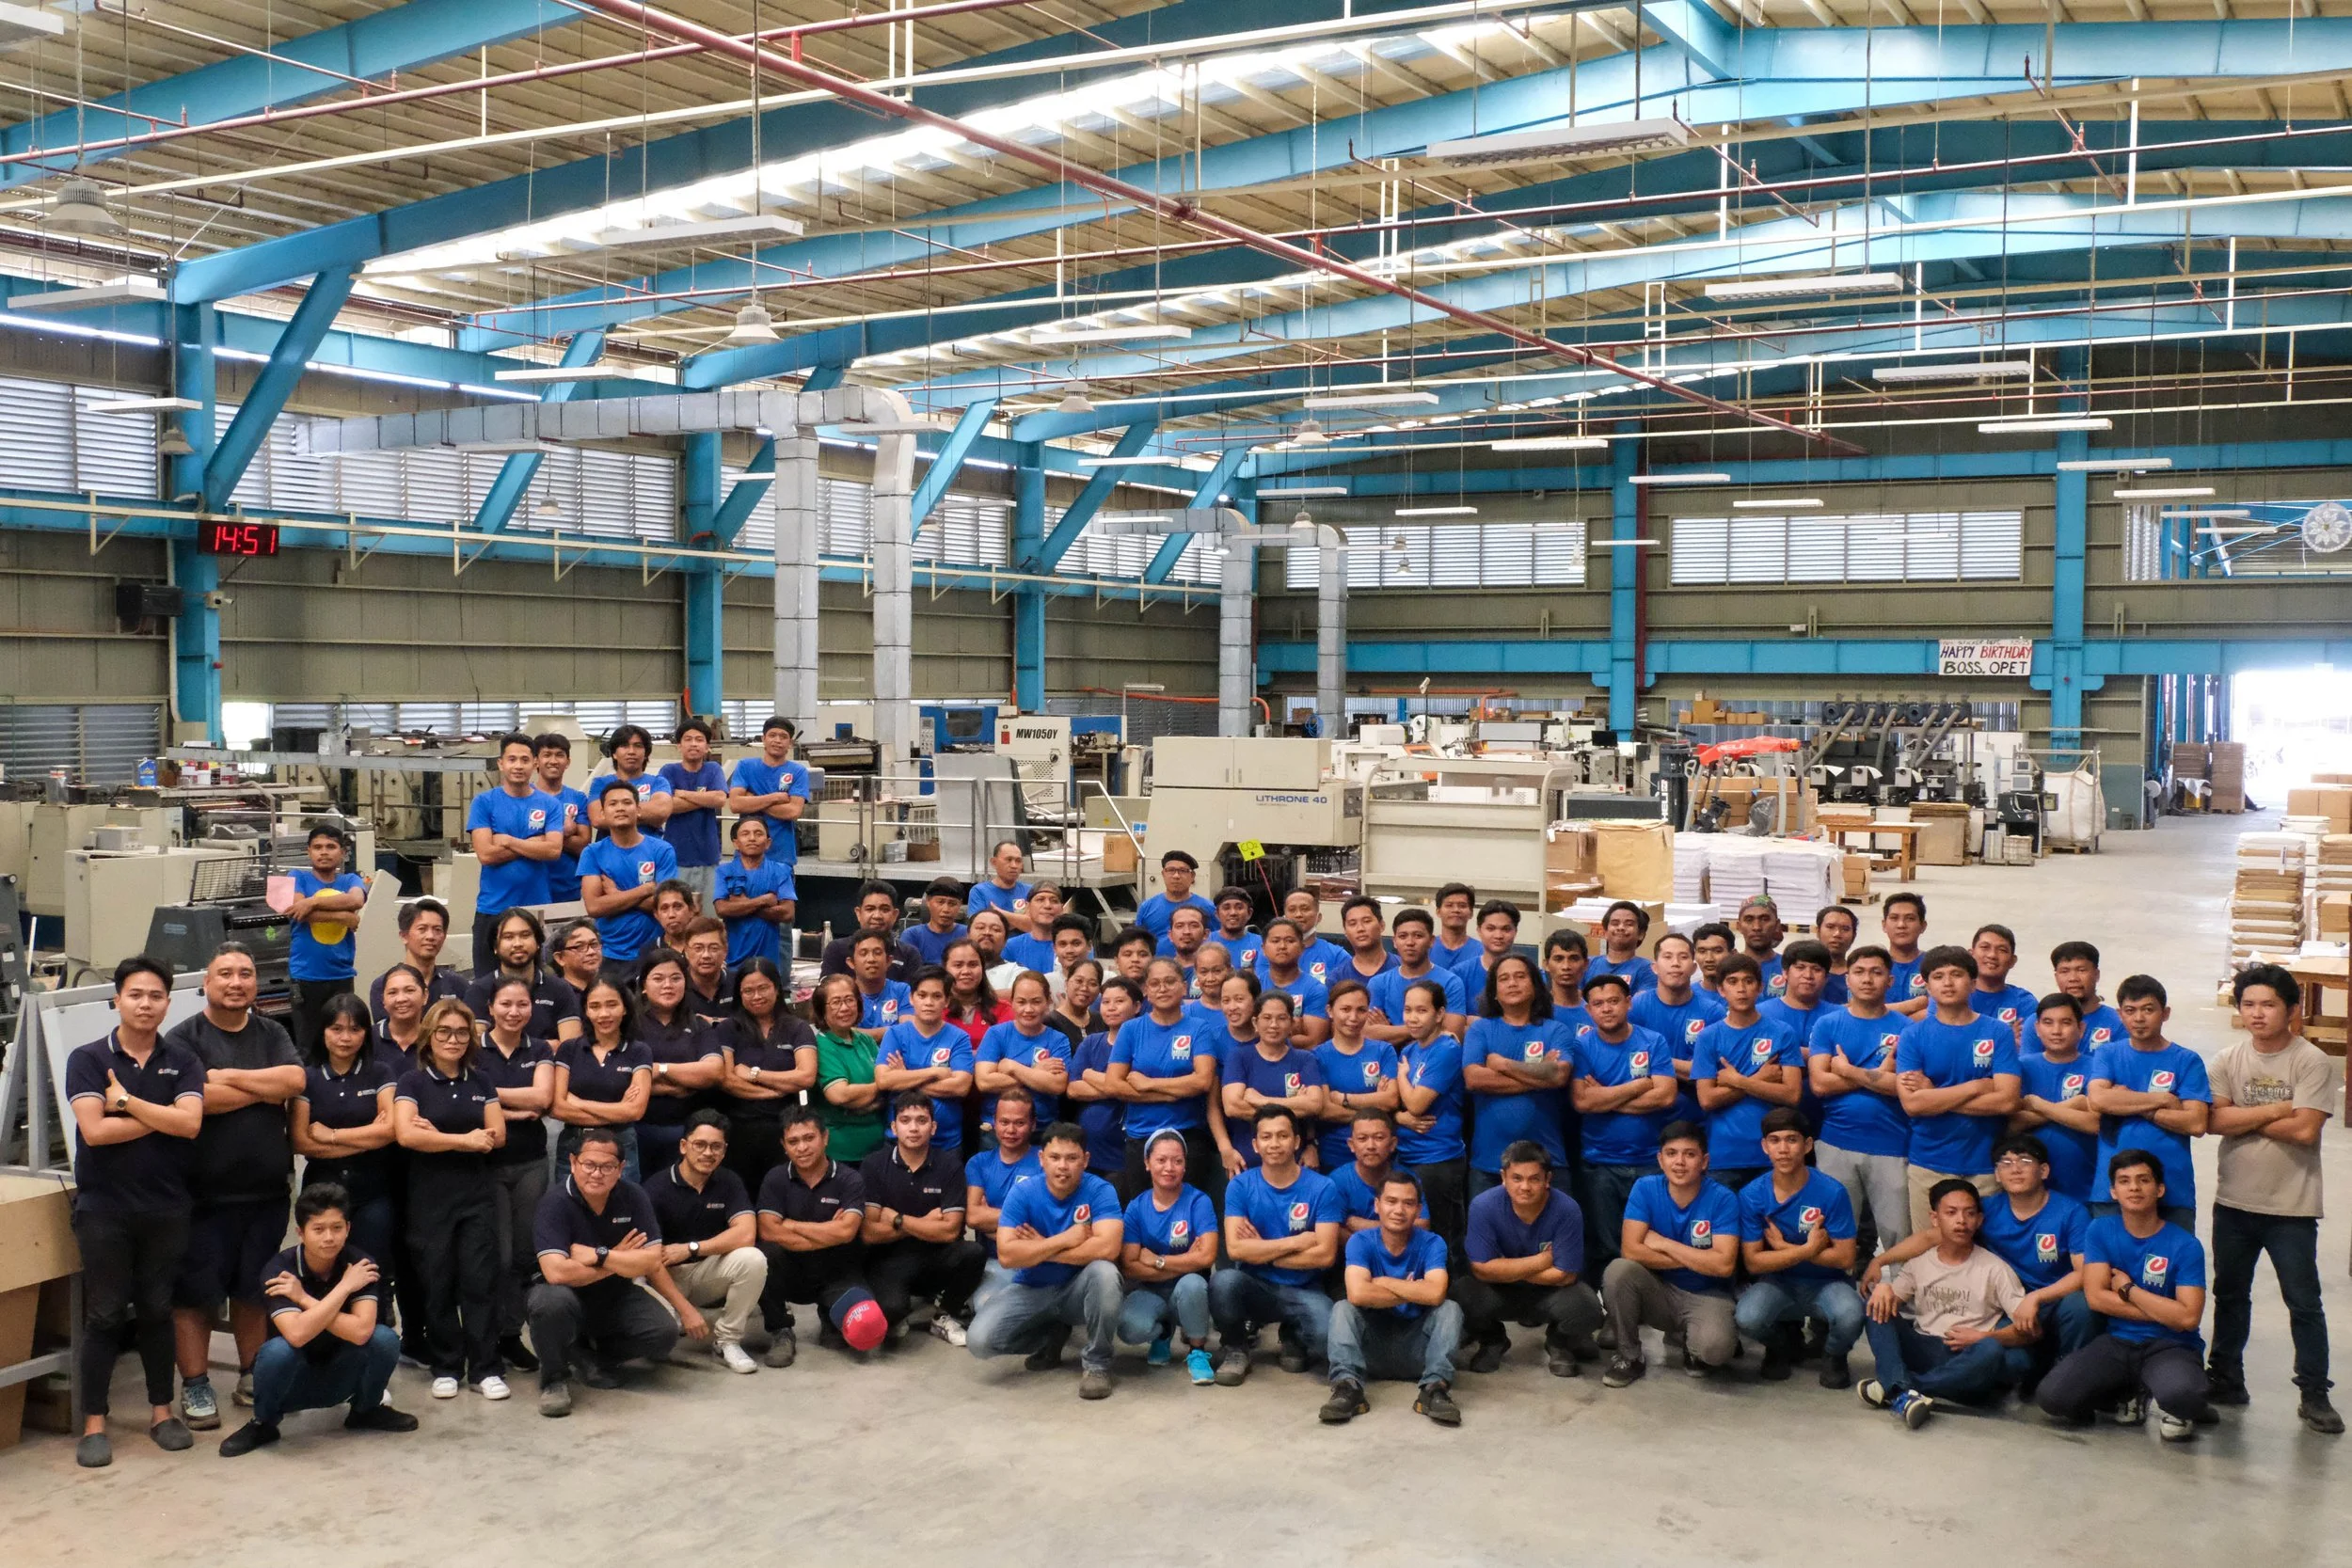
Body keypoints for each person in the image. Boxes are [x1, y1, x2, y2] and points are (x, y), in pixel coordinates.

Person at [67, 958, 206, 1467]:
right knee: (104, 1316)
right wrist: (161, 1114)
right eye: (135, 994)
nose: (145, 1004)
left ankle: (161, 1413)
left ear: (168, 1003)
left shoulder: (183, 1059)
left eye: (155, 996)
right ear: (117, 999)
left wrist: (126, 1102)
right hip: (104, 1209)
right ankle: (95, 1425)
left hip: (166, 1206)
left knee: (155, 1310)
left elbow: (191, 1126)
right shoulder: (86, 1058)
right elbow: (95, 1133)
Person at [166, 943, 305, 1431]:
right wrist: (257, 1089)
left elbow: (292, 1079)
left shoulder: (271, 1031)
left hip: (266, 1193)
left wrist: (233, 1078)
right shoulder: (183, 1038)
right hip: (202, 1196)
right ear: (206, 983)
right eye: (225, 973)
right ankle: (197, 1384)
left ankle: (251, 1374)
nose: (237, 982)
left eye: (245, 973)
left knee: (255, 1290)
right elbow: (196, 1098)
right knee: (196, 1295)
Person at [2204, 963, 2339, 1431]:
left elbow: (2305, 1131)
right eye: (2249, 1005)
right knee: (2230, 1295)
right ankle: (2225, 1377)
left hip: (2291, 1208)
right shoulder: (2227, 1060)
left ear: (2291, 1011)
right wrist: (2280, 1107)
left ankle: (2315, 1391)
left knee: (2303, 1302)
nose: (2257, 1014)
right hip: (2234, 1203)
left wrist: (2247, 1114)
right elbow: (2213, 1122)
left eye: (2268, 1005)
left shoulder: (2311, 1061)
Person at [216, 1182, 418, 1456]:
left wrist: (306, 1299)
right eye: (318, 1229)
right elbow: (297, 1334)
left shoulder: (360, 1266)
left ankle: (366, 1410)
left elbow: (361, 1332)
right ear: (300, 1233)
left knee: (384, 1338)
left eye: (336, 1228)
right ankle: (264, 1422)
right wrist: (344, 1289)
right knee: (277, 1351)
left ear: (348, 1228)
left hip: (341, 1373)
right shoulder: (279, 1270)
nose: (329, 1238)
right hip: (291, 1381)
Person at [2036, 1150, 2216, 1439]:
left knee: (2184, 1396)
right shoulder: (2101, 1230)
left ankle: (2171, 1400)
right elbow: (2096, 1298)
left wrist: (2128, 1290)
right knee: (2053, 1398)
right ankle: (2129, 1391)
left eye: (2143, 1180)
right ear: (2113, 1191)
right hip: (2118, 1342)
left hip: (2172, 1345)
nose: (2134, 1187)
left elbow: (2189, 1319)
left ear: (2159, 1190)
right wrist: (2166, 1313)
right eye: (2124, 1181)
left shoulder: (2185, 1245)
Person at [391, 999, 510, 1402]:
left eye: (462, 1032)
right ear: (429, 1036)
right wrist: (463, 1139)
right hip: (428, 1198)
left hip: (476, 1197)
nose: (453, 1040)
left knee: (479, 1280)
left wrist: (435, 1136)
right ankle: (446, 1365)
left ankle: (485, 1368)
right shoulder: (412, 1083)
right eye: (444, 1032)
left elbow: (497, 1137)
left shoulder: (481, 1082)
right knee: (436, 1281)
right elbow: (406, 1136)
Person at [528, 1128, 683, 1417]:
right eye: (589, 1165)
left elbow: (650, 1261)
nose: (597, 1174)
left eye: (607, 1166)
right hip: (564, 1293)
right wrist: (621, 1258)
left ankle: (589, 1356)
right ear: (573, 1163)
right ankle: (554, 1379)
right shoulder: (555, 1203)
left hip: (615, 1293)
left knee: (663, 1333)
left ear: (621, 1169)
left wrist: (600, 1255)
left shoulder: (634, 1196)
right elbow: (556, 1273)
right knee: (550, 1303)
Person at [965, 1121, 1125, 1398]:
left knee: (1105, 1273)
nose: (1062, 1166)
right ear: (1042, 1159)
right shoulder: (1023, 1193)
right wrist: (1062, 1241)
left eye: (1072, 1158)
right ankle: (1051, 1335)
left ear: (1085, 1160)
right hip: (1032, 1287)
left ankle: (1097, 1364)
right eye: (1055, 1157)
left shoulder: (1100, 1190)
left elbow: (1109, 1248)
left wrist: (1039, 1248)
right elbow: (1007, 1254)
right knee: (979, 1342)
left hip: (1079, 1289)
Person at [1857, 1180, 2029, 1430]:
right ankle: (1904, 1390)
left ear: (1979, 1220)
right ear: (1935, 1219)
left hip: (1967, 1360)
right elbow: (1891, 1302)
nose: (1961, 1220)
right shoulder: (1920, 1262)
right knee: (1874, 1308)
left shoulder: (1995, 1269)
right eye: (1951, 1213)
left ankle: (1898, 1388)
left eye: (1969, 1213)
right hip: (1925, 1347)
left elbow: (2027, 1329)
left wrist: (1983, 1336)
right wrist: (1883, 1289)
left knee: (1991, 1349)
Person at [1600, 1121, 1742, 1386]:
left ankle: (1692, 1345)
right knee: (1619, 1270)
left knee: (1715, 1351)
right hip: (1659, 1291)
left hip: (1707, 1294)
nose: (1680, 1162)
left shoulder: (1723, 1198)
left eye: (1690, 1154)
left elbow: (1723, 1265)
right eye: (1671, 1153)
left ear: (1704, 1161)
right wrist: (1701, 1260)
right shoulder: (1645, 1188)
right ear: (1660, 1159)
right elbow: (1631, 1250)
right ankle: (1629, 1357)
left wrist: (1664, 1243)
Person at [1210, 1106, 1345, 1384]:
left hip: (1305, 1287)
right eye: (1267, 1137)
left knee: (1329, 1340)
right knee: (1223, 1283)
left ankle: (1293, 1336)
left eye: (1283, 1136)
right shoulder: (1240, 1186)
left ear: (1296, 1142)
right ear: (1255, 1145)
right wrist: (1297, 1242)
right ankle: (1236, 1348)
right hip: (1256, 1285)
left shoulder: (1323, 1187)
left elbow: (1325, 1255)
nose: (1274, 1144)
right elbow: (1236, 1250)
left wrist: (1263, 1251)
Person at [1733, 1108, 1864, 1387]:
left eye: (1792, 1140)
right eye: (1775, 1140)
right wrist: (1806, 1250)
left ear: (1807, 1145)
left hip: (1827, 1284)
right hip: (1778, 1283)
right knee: (1747, 1318)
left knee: (1852, 1314)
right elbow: (1754, 1263)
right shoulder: (1752, 1196)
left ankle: (1833, 1354)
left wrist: (1780, 1248)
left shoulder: (1832, 1191)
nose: (1783, 1149)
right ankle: (1781, 1345)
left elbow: (1845, 1257)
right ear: (1764, 1146)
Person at [1894, 945, 2020, 1232]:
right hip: (1929, 1163)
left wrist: (1933, 1093)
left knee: (1985, 1257)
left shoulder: (1997, 1032)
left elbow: (2007, 1102)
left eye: (1957, 975)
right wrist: (1977, 1086)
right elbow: (1912, 1105)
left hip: (1986, 1166)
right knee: (1930, 1253)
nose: (1948, 983)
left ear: (1973, 983)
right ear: (1927, 986)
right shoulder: (1913, 1035)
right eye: (1939, 976)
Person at [1322, 1170, 1463, 1427]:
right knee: (1343, 1309)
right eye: (1391, 1201)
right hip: (1370, 1351)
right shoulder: (1360, 1241)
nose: (1399, 1210)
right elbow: (1358, 1294)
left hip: (1418, 1352)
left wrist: (1384, 1282)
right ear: (1377, 1206)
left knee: (1450, 1309)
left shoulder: (1433, 1243)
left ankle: (1434, 1389)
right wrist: (1412, 1291)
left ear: (1419, 1209)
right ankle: (1348, 1387)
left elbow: (1435, 1294)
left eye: (1408, 1203)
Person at [1455, 1142, 1604, 1377]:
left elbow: (1565, 1276)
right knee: (1461, 1294)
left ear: (1548, 1179)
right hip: (1499, 1292)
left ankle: (1559, 1343)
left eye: (1534, 1179)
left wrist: (1502, 1267)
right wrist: (1543, 1260)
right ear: (1503, 1177)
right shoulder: (1483, 1206)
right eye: (1517, 1178)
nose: (1525, 1187)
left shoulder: (1567, 1209)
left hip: (1550, 1293)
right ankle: (1493, 1341)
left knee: (1588, 1307)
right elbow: (1481, 1270)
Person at [1805, 944, 1913, 1254]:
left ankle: (1899, 1301)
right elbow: (1820, 1084)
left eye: (1876, 973)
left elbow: (1904, 1087)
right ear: (1847, 979)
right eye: (1860, 972)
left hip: (1891, 1145)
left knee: (1898, 1235)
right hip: (1835, 1144)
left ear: (1890, 981)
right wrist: (1876, 1076)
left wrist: (1847, 1070)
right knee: (1836, 1233)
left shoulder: (1906, 1029)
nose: (1868, 979)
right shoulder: (1827, 1024)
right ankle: (1841, 1298)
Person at [643, 1109, 767, 1374]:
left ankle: (727, 1341)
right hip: (663, 1276)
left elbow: (746, 1234)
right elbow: (651, 1262)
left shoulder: (729, 1181)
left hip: (703, 1270)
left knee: (753, 1258)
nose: (708, 1153)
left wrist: (691, 1248)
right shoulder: (656, 1188)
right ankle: (672, 1316)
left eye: (716, 1147)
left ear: (724, 1151)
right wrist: (685, 1310)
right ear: (684, 1146)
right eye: (700, 1145)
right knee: (658, 1337)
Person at [1567, 973, 1677, 1274]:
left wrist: (1604, 1096)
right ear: (1588, 1010)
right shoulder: (1581, 1047)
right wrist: (1639, 1085)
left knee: (1651, 1240)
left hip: (1649, 1162)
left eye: (1614, 1001)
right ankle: (1610, 1304)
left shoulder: (1653, 1041)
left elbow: (1666, 1096)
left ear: (1628, 1003)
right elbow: (1583, 1102)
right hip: (1599, 1163)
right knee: (1605, 1244)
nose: (1607, 1009)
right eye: (1598, 1004)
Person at [472, 976, 555, 1372]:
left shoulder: (539, 1048)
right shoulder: (474, 1049)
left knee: (524, 1256)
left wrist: (490, 1097)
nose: (514, 1011)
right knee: (498, 1257)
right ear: (490, 1008)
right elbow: (467, 1100)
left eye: (522, 1004)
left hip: (531, 1164)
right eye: (505, 1003)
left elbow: (542, 1097)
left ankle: (511, 1335)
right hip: (488, 1166)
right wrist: (508, 1106)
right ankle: (487, 1337)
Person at [755, 1106, 880, 1367]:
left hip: (838, 1271)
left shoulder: (850, 1179)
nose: (802, 1147)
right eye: (793, 1141)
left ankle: (829, 1318)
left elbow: (847, 1233)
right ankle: (781, 1331)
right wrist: (826, 1231)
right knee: (762, 1255)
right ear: (784, 1145)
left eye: (809, 1138)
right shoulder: (775, 1178)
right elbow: (768, 1230)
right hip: (791, 1272)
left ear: (825, 1138)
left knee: (869, 1327)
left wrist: (790, 1224)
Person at [861, 1095, 986, 1347]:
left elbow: (950, 1231)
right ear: (894, 1127)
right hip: (889, 1259)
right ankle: (901, 1308)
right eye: (905, 1120)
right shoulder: (873, 1164)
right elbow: (869, 1234)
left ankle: (944, 1316)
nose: (914, 1128)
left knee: (973, 1252)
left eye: (922, 1120)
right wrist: (924, 1223)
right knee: (890, 1314)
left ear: (934, 1127)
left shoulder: (949, 1166)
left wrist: (898, 1219)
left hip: (936, 1256)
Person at [2088, 974, 2209, 1229]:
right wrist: (2163, 1099)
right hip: (2112, 1191)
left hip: (2172, 1191)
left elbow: (2196, 1123)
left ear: (2165, 1013)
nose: (2139, 1018)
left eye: (2148, 1010)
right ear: (2120, 1014)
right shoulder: (2107, 1054)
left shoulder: (2187, 1060)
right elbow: (2098, 1100)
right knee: (2108, 1267)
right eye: (2130, 1011)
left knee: (2172, 1267)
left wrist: (2126, 1101)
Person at [1109, 957, 1232, 1201]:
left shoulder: (1199, 1028)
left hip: (1188, 1136)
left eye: (1169, 982)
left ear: (1184, 986)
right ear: (1145, 990)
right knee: (1144, 1214)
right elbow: (1113, 1084)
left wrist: (1149, 1084)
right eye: (1154, 983)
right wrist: (1175, 1091)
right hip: (1141, 1137)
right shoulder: (1131, 1030)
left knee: (1187, 1216)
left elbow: (1203, 1081)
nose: (1162, 989)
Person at [1462, 954, 1573, 1196]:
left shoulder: (1555, 1030)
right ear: (1494, 991)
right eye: (1504, 978)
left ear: (1535, 986)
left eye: (1520, 976)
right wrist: (1539, 1076)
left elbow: (1558, 1075)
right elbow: (1474, 1079)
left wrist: (1503, 1064)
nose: (1512, 983)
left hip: (1548, 1163)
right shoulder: (1480, 1029)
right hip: (1489, 1165)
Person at [1118, 1127, 1221, 1383]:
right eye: (1161, 1160)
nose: (1169, 1168)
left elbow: (1207, 1257)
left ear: (1185, 1165)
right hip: (1150, 1290)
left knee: (1194, 1284)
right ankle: (1162, 1333)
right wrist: (1186, 1261)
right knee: (1129, 1328)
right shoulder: (1136, 1207)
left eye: (1177, 1161)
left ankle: (1197, 1351)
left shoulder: (1199, 1202)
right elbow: (1129, 1266)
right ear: (1147, 1163)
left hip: (1186, 1289)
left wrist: (1158, 1260)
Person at [1689, 954, 1801, 1190]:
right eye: (1733, 981)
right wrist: (1760, 1079)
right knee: (1724, 1226)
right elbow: (1707, 1099)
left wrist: (1738, 1080)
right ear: (1721, 989)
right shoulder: (1709, 1037)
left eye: (1748, 981)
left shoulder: (1783, 1032)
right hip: (1724, 1154)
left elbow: (1791, 1094)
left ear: (1760, 987)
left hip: (1773, 1154)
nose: (1741, 989)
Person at [466, 734, 564, 974]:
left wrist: (509, 841)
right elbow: (486, 854)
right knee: (487, 984)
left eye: (524, 760)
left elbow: (553, 850)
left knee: (536, 983)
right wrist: (533, 844)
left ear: (535, 764)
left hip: (537, 909)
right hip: (493, 909)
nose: (518, 766)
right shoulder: (484, 802)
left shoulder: (550, 805)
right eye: (511, 759)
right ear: (501, 763)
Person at [723, 958, 820, 1190]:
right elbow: (727, 1080)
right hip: (739, 1129)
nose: (756, 996)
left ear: (777, 988)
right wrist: (777, 1090)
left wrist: (755, 1074)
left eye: (763, 988)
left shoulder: (797, 1027)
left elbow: (806, 1077)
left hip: (786, 1130)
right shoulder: (730, 1028)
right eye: (748, 991)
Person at [1393, 979, 1469, 1257]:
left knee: (1442, 1239)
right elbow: (1398, 1107)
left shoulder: (1447, 1049)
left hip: (1438, 1159)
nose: (1413, 1018)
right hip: (1407, 1155)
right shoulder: (1409, 1050)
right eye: (1408, 1010)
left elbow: (1414, 1104)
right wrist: (1399, 1119)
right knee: (1413, 1238)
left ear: (1439, 1014)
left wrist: (1402, 1076)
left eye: (1422, 1010)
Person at [551, 975, 653, 1178]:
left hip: (621, 1144)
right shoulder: (569, 1049)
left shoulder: (639, 1051)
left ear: (625, 1008)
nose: (604, 1014)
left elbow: (635, 1111)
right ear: (586, 1011)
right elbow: (557, 1108)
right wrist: (618, 1110)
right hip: (574, 1143)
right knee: (572, 1207)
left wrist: (579, 1102)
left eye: (612, 1005)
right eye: (595, 1006)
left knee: (621, 1207)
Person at [1221, 990, 1329, 1168]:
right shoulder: (1239, 1057)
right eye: (1267, 1018)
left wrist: (1261, 1100)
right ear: (1256, 1022)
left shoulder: (1305, 1059)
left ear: (1292, 1023)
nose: (1273, 1025)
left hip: (1295, 1161)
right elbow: (1233, 1107)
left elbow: (1315, 1104)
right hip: (1247, 1161)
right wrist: (1295, 1103)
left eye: (1281, 1018)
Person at [876, 967, 975, 1159]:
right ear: (912, 998)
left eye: (936, 996)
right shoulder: (895, 1034)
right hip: (897, 1141)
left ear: (946, 1001)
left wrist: (905, 1077)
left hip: (946, 1144)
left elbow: (961, 1086)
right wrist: (935, 1072)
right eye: (922, 995)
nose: (928, 1002)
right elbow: (884, 1081)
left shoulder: (959, 1038)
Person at [578, 783, 680, 968]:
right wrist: (645, 890)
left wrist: (615, 894)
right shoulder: (592, 852)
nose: (620, 808)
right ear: (602, 813)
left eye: (627, 802)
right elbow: (594, 907)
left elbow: (664, 906)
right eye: (613, 804)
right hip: (609, 953)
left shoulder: (662, 850)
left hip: (655, 952)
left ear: (638, 809)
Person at [286, 825, 368, 1054]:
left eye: (331, 847)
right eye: (318, 847)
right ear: (308, 852)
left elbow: (356, 900)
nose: (324, 852)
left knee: (344, 1042)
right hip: (306, 976)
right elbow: (296, 911)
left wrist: (311, 903)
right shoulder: (296, 877)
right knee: (308, 1046)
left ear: (342, 852)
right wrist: (344, 917)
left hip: (341, 975)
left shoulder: (350, 879)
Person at [2011, 994, 2102, 1202]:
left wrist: (2036, 1104)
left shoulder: (2098, 1068)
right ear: (2036, 1028)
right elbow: (2011, 1125)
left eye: (2066, 1022)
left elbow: (2095, 1123)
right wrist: (2073, 1105)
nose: (2056, 1031)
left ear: (2081, 1029)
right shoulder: (2021, 1067)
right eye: (2048, 1022)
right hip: (2027, 1189)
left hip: (2083, 1187)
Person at [1629, 932, 1725, 1126]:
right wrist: (1687, 1068)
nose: (1675, 963)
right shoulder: (1636, 1006)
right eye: (1667, 957)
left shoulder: (1713, 1012)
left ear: (1693, 967)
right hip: (1645, 1116)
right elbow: (1629, 1063)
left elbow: (1711, 1073)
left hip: (1695, 1119)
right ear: (1654, 968)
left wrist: (1655, 1060)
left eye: (1683, 957)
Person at [965, 1089, 1045, 1299]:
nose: (1010, 1130)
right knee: (985, 1304)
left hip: (1038, 1260)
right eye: (1004, 1122)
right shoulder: (978, 1163)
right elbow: (973, 1217)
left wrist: (992, 1220)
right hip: (994, 1261)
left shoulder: (1045, 1161)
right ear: (994, 1123)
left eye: (1019, 1123)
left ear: (1033, 1124)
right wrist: (1021, 1220)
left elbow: (1044, 1219)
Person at [1313, 982, 1399, 1171]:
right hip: (1333, 1156)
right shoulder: (1317, 1056)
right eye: (1345, 1009)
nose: (1353, 1017)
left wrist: (1344, 1098)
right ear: (1330, 1011)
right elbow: (1324, 1109)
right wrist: (1376, 1113)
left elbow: (1391, 1100)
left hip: (1379, 1160)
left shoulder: (1384, 1051)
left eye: (1361, 1010)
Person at [465, 909, 582, 1044]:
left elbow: (570, 1050)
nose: (518, 944)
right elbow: (476, 1047)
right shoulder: (479, 990)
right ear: (495, 947)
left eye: (525, 935)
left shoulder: (559, 989)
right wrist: (543, 1047)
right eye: (508, 937)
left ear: (538, 943)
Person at [976, 971, 1072, 1134]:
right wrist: (1035, 1072)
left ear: (1048, 1002)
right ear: (1011, 1002)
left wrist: (1012, 1066)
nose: (1028, 1009)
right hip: (996, 1130)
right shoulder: (996, 1034)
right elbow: (984, 1082)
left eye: (1036, 1002)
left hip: (1042, 1130)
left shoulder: (1058, 1039)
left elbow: (1057, 1085)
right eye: (1021, 1002)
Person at [1065, 973, 1132, 1184]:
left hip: (1123, 1149)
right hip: (1090, 1148)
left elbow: (1136, 1088)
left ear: (1138, 1006)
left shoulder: (1141, 1042)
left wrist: (1090, 1074)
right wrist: (1117, 1086)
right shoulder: (1092, 1042)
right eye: (1105, 1002)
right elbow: (1074, 1089)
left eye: (1119, 1001)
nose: (1111, 1007)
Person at [1367, 907, 1469, 1044]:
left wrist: (1389, 1031)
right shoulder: (1378, 983)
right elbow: (1368, 1035)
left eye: (1418, 936)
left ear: (1432, 941)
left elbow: (1451, 1037)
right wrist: (1428, 1027)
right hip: (1389, 1063)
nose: (1410, 943)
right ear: (1395, 942)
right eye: (1403, 936)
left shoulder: (1451, 982)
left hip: (1434, 1063)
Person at [725, 715, 810, 876]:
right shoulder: (745, 766)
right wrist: (775, 798)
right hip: (745, 859)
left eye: (783, 737)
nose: (777, 740)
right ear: (763, 739)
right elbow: (735, 805)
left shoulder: (798, 772)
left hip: (781, 858)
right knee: (742, 900)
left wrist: (752, 799)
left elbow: (793, 812)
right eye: (772, 735)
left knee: (781, 901)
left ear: (790, 743)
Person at [657, 719, 729, 906]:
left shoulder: (713, 769)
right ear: (679, 746)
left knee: (708, 918)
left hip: (708, 856)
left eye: (699, 739)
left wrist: (683, 794)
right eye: (688, 739)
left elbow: (720, 799)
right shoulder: (669, 771)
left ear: (707, 747)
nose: (694, 744)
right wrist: (705, 798)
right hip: (676, 857)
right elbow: (667, 805)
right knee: (677, 916)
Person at [715, 817, 795, 970]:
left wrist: (740, 906)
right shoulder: (724, 872)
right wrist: (763, 900)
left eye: (758, 833)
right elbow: (722, 909)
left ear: (768, 842)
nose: (752, 838)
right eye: (745, 834)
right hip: (734, 962)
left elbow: (787, 913)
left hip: (769, 963)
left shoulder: (781, 871)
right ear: (736, 843)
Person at [370, 898, 466, 1020]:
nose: (430, 936)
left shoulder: (458, 985)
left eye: (437, 930)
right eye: (422, 929)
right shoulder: (383, 985)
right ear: (404, 936)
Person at [533, 732, 594, 905]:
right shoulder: (524, 797)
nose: (553, 761)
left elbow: (583, 842)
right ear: (536, 760)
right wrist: (565, 831)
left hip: (568, 887)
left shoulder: (578, 798)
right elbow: (519, 838)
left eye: (559, 755)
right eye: (547, 755)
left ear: (568, 761)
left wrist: (543, 836)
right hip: (531, 887)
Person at [1326, 1110, 1411, 1231]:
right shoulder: (1336, 1181)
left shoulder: (1407, 1178)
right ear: (1351, 1145)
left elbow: (1422, 1225)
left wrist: (1364, 1226)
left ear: (1392, 1144)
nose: (1371, 1146)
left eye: (1379, 1138)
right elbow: (1333, 1231)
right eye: (1362, 1138)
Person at [586, 723, 675, 836]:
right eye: (624, 746)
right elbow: (598, 819)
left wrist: (614, 814)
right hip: (609, 851)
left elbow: (661, 812)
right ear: (614, 754)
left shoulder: (658, 782)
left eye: (638, 746)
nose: (631, 751)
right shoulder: (601, 783)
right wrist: (646, 815)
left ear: (646, 753)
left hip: (650, 851)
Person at [1253, 919, 1331, 1046]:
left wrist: (1265, 1032)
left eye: (1290, 941)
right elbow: (1246, 1035)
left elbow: (1313, 1042)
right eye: (1275, 941)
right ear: (1263, 948)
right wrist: (1290, 1027)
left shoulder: (1316, 990)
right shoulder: (1254, 986)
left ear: (1302, 948)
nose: (1282, 946)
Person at [821, 881, 921, 980]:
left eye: (885, 910)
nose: (877, 916)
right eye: (870, 909)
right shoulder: (836, 950)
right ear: (858, 913)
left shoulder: (909, 954)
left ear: (895, 915)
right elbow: (826, 992)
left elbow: (913, 994)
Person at [2049, 940, 2127, 1051]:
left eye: (2081, 970)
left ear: (2097, 974)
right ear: (2056, 977)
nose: (2073, 978)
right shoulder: (2041, 1021)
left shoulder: (2117, 1022)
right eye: (2065, 971)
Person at [1967, 924, 2038, 1046]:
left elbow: (2025, 1047)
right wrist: (2006, 1037)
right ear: (1971, 954)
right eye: (1985, 947)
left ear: (2012, 961)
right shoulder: (1955, 996)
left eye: (2002, 950)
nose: (1992, 955)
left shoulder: (2025, 1002)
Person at [1757, 939, 1833, 1053]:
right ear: (1785, 973)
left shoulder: (1839, 1017)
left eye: (1816, 969)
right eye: (1800, 967)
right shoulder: (1760, 1013)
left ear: (1826, 977)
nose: (1808, 975)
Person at [1136, 849, 1216, 940]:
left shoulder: (1207, 907)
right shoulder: (1147, 908)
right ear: (1163, 874)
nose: (1176, 876)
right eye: (1171, 870)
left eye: (1183, 870)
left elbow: (1218, 940)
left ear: (1192, 876)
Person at [1281, 889, 1351, 986]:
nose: (1298, 915)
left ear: (1318, 917)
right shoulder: (1269, 954)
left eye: (1305, 909)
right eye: (1292, 910)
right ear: (1284, 917)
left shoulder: (1337, 956)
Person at [849, 930, 914, 1031]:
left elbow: (907, 1030)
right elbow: (841, 1035)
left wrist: (859, 1034)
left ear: (889, 961)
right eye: (863, 953)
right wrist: (893, 1030)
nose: (871, 959)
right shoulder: (844, 993)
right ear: (851, 963)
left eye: (877, 953)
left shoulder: (902, 991)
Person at [1585, 900, 1656, 993]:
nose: (1621, 927)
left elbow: (1641, 1004)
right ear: (1605, 932)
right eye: (1615, 923)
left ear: (1641, 934)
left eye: (1629, 924)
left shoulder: (1649, 970)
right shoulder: (1587, 965)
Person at [1880, 892, 1930, 1012]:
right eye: (1894, 918)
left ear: (1923, 926)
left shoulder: (1934, 965)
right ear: (1884, 925)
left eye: (1910, 919)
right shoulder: (1871, 965)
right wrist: (1916, 1005)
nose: (1901, 925)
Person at [904, 878, 969, 968]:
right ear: (928, 901)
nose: (946, 909)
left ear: (960, 905)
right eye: (940, 902)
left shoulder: (968, 934)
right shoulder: (913, 935)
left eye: (952, 904)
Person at [678, 917, 734, 1022]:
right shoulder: (677, 987)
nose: (706, 955)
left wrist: (713, 1021)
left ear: (725, 950)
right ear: (686, 951)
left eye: (714, 948)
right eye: (698, 948)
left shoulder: (739, 983)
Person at [1003, 880, 1062, 974]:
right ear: (1028, 907)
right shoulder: (1010, 947)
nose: (1047, 905)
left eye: (1054, 901)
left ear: (1061, 909)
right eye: (1040, 899)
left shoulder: (1073, 945)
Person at [969, 838, 1032, 918]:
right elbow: (980, 927)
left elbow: (1034, 926)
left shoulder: (1030, 891)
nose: (1014, 865)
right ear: (994, 862)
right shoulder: (979, 892)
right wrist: (1021, 918)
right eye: (1009, 860)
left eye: (1018, 861)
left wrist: (998, 914)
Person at [550, 918, 606, 1004]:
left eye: (594, 944)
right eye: (580, 947)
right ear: (560, 958)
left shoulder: (612, 989)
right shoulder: (553, 996)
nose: (591, 952)